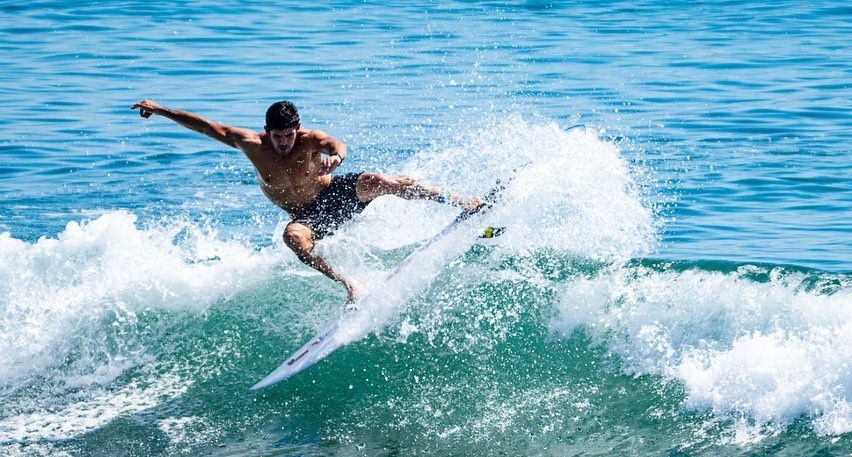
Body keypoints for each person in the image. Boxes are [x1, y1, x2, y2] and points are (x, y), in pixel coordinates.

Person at [131, 99, 483, 302]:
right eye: (277, 136)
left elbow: (335, 143)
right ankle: (351, 285)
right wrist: (159, 110)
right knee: (292, 238)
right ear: (266, 131)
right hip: (309, 217)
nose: (283, 142)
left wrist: (337, 158)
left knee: (380, 180)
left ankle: (460, 201)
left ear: (297, 129)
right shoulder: (251, 144)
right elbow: (206, 126)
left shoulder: (310, 139)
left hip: (335, 195)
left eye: (288, 135)